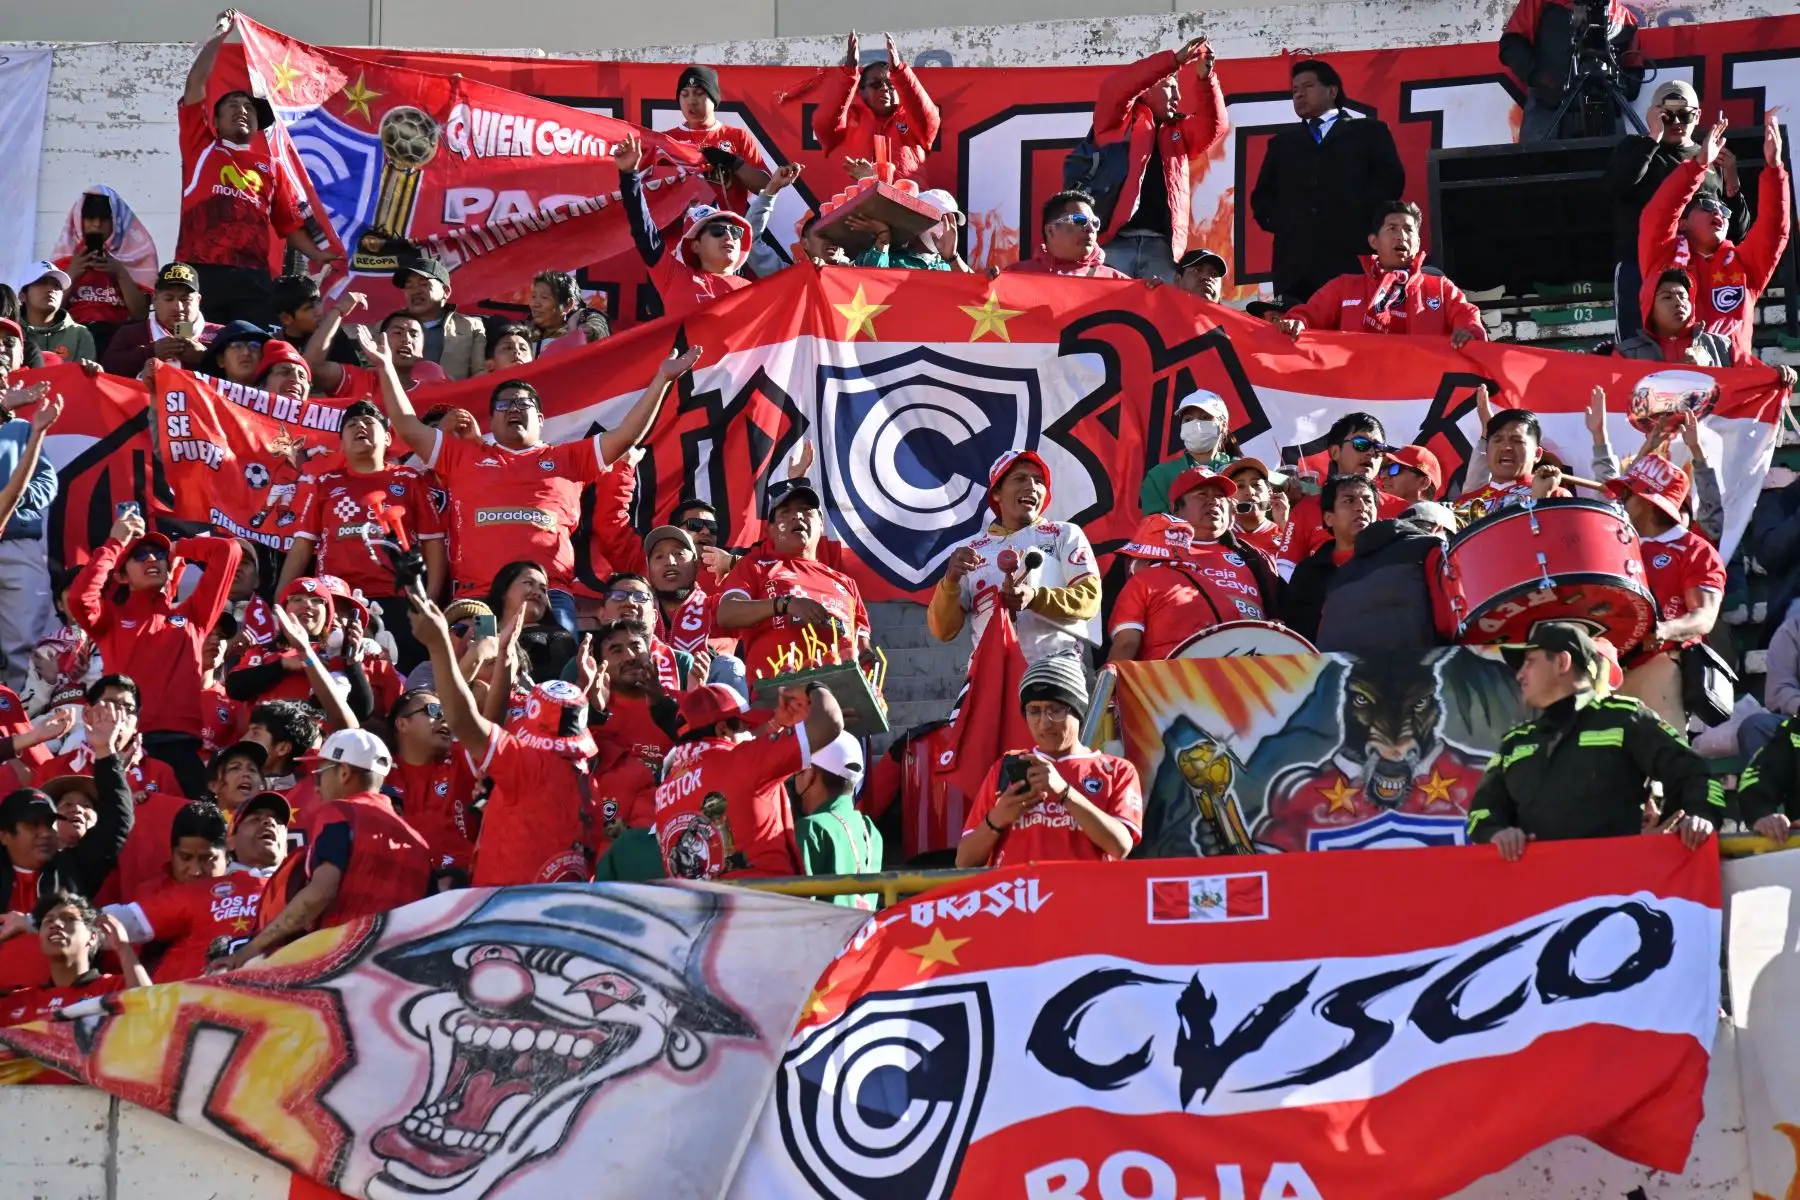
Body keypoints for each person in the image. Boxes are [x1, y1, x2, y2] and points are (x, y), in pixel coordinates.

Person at [372, 336, 693, 633]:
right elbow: (408, 428)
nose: (513, 408)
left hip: (550, 596)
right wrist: (386, 368)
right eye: (504, 405)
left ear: (540, 420)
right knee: (479, 662)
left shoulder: (569, 457)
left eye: (523, 404)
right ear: (492, 422)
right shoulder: (463, 455)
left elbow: (626, 436)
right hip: (483, 600)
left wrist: (661, 380)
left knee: (555, 660)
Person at [1467, 621, 1717, 858]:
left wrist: (1696, 816)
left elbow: (1693, 771)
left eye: (1530, 662)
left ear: (1562, 662)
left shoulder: (1624, 717)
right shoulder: (1514, 741)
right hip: (1540, 891)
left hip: (1613, 892)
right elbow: (1481, 811)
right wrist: (1496, 832)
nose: (1520, 675)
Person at [413, 596, 598, 886]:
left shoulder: (526, 763)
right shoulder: (586, 781)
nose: (475, 644)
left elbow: (464, 718)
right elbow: (558, 722)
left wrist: (442, 645)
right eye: (459, 632)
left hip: (502, 893)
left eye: (493, 661)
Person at [220, 728, 428, 967]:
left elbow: (320, 892)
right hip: (395, 973)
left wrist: (251, 949)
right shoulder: (417, 840)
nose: (316, 787)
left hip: (341, 963)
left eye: (319, 775)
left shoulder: (341, 812)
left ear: (344, 773)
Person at [70, 511, 241, 800]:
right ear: (122, 576)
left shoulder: (193, 616)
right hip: (124, 742)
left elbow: (229, 550)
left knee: (205, 829)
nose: (152, 559)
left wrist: (177, 549)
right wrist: (115, 544)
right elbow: (79, 597)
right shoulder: (110, 618)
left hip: (182, 745)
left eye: (157, 553)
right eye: (140, 556)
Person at [178, 10, 335, 324]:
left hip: (253, 275)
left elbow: (289, 225)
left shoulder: (271, 167)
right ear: (216, 122)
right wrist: (221, 33)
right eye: (232, 106)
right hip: (201, 268)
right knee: (199, 346)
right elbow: (196, 82)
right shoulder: (201, 146)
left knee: (251, 344)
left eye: (248, 107)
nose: (242, 110)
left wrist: (321, 255)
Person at [274, 399, 447, 674]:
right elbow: (303, 544)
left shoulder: (410, 479)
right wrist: (279, 601)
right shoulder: (325, 484)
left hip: (401, 600)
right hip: (336, 601)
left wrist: (430, 599)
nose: (360, 427)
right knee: (340, 677)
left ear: (388, 437)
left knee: (400, 678)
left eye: (369, 423)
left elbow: (434, 541)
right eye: (352, 425)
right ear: (341, 443)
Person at [956, 657, 1141, 868]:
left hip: (1084, 897)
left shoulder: (1117, 770)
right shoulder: (1005, 768)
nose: (1044, 723)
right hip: (1019, 897)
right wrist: (997, 818)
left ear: (1078, 710)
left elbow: (1121, 846)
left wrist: (1065, 793)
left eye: (1055, 709)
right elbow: (964, 861)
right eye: (1034, 711)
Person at [1250, 58, 1406, 305]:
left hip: (1352, 259)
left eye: (1308, 86)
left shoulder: (1368, 132)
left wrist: (1361, 218)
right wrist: (1286, 223)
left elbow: (1391, 182)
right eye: (1294, 90)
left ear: (1332, 91)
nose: (1299, 95)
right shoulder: (1281, 144)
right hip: (1294, 267)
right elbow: (1262, 198)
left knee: (1352, 335)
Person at [654, 680, 845, 881]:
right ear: (723, 731)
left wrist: (779, 725)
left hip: (701, 908)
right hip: (765, 903)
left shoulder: (664, 788)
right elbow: (829, 721)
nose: (752, 735)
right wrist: (814, 686)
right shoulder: (744, 760)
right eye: (746, 727)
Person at [0, 702, 132, 991]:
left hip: (65, 1005)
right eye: (32, 825)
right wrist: (27, 740)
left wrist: (105, 751)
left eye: (48, 823)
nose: (44, 832)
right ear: (4, 836)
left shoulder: (73, 867)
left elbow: (117, 821)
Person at [929, 450, 1101, 667]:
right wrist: (950, 580)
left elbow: (1090, 599)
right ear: (997, 493)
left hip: (1054, 671)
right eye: (1020, 479)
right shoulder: (971, 550)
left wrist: (1035, 598)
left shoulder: (1064, 534)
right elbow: (943, 631)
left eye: (1039, 481)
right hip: (989, 675)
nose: (1031, 487)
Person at [1639, 112, 1790, 359]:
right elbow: (1660, 213)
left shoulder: (1744, 264)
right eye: (1708, 206)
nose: (1719, 213)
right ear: (1684, 222)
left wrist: (1774, 169)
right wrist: (1698, 164)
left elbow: (1775, 230)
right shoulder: (1661, 256)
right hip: (1672, 377)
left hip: (1729, 378)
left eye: (1724, 209)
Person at [1606, 80, 1746, 341]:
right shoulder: (1637, 147)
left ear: (1698, 116)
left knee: (1700, 349)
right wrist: (1652, 138)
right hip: (1643, 265)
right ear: (1654, 114)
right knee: (1637, 346)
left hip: (1696, 269)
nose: (1677, 122)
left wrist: (1731, 179)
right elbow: (1617, 185)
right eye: (1668, 115)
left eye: (1685, 115)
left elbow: (1736, 232)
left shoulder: (1710, 157)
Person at [35, 676, 187, 903]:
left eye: (128, 709)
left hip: (144, 906)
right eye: (111, 705)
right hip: (73, 903)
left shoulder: (161, 773)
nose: (120, 715)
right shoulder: (52, 770)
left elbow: (181, 840)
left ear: (137, 721)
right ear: (87, 714)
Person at [1090, 36, 1229, 283]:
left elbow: (1215, 125)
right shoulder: (1115, 123)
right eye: (1170, 86)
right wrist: (1173, 61)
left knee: (1160, 319)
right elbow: (1116, 87)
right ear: (1147, 89)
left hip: (1161, 248)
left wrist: (1206, 79)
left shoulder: (1178, 132)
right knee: (1106, 315)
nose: (1177, 95)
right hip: (1112, 243)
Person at [1109, 466, 1281, 662]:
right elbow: (1120, 633)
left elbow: (1280, 613)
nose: (1214, 501)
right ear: (1175, 508)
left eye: (1220, 496)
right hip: (1167, 676)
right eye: (1202, 495)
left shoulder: (1256, 557)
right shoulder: (1142, 555)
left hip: (1249, 671)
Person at [102, 798, 284, 981]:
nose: (195, 871)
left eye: (207, 859)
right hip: (192, 1000)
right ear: (232, 840)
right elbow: (114, 923)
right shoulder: (187, 894)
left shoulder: (302, 884)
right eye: (185, 857)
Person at [1606, 452, 1724, 729]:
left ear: (1649, 500)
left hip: (1660, 664)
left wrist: (1663, 631)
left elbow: (1704, 618)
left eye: (1627, 491)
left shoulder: (1694, 550)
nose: (1620, 498)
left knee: (1664, 764)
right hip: (1607, 668)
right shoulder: (1614, 542)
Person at [717, 478, 874, 678]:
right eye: (785, 513)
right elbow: (727, 613)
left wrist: (867, 657)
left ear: (821, 523)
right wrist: (784, 604)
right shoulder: (755, 566)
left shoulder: (846, 583)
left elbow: (862, 645)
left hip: (841, 697)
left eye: (806, 510)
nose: (797, 516)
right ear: (771, 531)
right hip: (776, 696)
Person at [1276, 202, 1484, 345]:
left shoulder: (1440, 288)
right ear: (1373, 241)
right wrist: (1298, 322)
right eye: (1392, 228)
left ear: (1418, 242)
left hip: (1419, 398)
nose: (1401, 236)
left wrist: (1469, 332)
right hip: (1358, 395)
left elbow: (1467, 317)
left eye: (1408, 230)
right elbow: (1309, 314)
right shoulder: (1344, 286)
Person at [617, 134, 754, 321]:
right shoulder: (674, 277)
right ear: (695, 245)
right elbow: (643, 230)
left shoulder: (756, 291)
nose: (729, 236)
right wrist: (629, 176)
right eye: (717, 231)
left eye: (735, 232)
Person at [1272, 413, 1410, 578]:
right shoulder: (1307, 508)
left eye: (1379, 448)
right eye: (1361, 444)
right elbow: (1286, 569)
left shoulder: (1404, 510)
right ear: (1335, 452)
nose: (1371, 453)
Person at [1500, 0, 1643, 144]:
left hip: (1603, 117)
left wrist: (1616, 86)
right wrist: (1539, 77)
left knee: (1616, 165)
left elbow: (1634, 72)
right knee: (1537, 163)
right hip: (1547, 110)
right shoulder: (1540, 3)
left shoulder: (1623, 18)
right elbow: (1512, 44)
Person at [0, 365, 61, 692]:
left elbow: (47, 482)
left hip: (17, 544)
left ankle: (22, 723)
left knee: (25, 643)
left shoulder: (24, 429)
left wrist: (14, 501)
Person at [0, 891, 148, 1025]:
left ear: (93, 937)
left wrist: (123, 947)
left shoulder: (116, 987)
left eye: (69, 918)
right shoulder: (17, 1001)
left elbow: (150, 1011)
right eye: (48, 921)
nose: (56, 924)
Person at [813, 31, 940, 181]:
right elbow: (824, 122)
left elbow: (929, 118)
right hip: (853, 202)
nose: (885, 89)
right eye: (876, 84)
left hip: (904, 202)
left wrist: (899, 72)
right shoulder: (848, 119)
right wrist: (848, 73)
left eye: (890, 84)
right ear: (861, 91)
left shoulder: (912, 121)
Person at [50, 187, 156, 358]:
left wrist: (120, 272)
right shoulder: (65, 257)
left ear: (116, 220)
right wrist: (72, 273)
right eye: (90, 218)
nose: (97, 224)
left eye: (104, 218)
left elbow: (140, 314)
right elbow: (51, 310)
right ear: (79, 220)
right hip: (73, 336)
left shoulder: (135, 255)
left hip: (119, 338)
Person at [386, 689, 478, 873]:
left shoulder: (463, 759)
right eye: (434, 710)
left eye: (447, 714)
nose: (444, 719)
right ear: (402, 724)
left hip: (464, 887)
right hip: (403, 886)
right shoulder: (380, 772)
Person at [1616, 268, 1776, 372]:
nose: (1678, 302)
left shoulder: (1721, 346)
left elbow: (1756, 376)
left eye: (1683, 296)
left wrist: (1777, 375)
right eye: (1667, 297)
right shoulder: (1626, 354)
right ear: (1649, 307)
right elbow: (1616, 399)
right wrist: (1674, 373)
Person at [665, 65, 773, 216]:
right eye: (684, 95)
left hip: (728, 232)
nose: (691, 101)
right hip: (682, 233)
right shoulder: (667, 140)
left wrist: (734, 163)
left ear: (713, 98)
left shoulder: (737, 136)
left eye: (699, 93)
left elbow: (765, 187)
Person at [1285, 474, 1380, 642]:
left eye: (1368, 500)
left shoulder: (1394, 560)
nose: (1361, 507)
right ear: (1329, 518)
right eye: (1349, 501)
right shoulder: (1308, 573)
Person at [795, 731, 882, 909]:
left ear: (810, 774)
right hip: (862, 935)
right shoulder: (870, 829)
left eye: (799, 770)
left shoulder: (811, 828)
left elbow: (798, 907)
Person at [99, 261, 220, 379]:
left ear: (198, 300)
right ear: (155, 299)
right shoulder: (131, 334)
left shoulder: (219, 334)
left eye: (185, 299)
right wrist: (150, 352)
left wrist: (205, 358)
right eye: (169, 299)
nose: (178, 307)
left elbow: (236, 380)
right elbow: (106, 369)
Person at [307, 301, 448, 397]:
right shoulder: (356, 380)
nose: (407, 339)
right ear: (380, 341)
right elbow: (311, 367)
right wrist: (338, 311)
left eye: (414, 334)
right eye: (398, 332)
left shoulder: (435, 389)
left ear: (422, 349)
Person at [1141, 390, 1235, 515]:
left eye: (1205, 417)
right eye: (1188, 419)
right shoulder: (1159, 476)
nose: (1196, 425)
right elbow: (1156, 528)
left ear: (1223, 425)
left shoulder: (1241, 469)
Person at [392, 256, 485, 381]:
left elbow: (480, 374)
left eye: (424, 284)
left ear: (446, 291)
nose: (415, 291)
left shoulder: (471, 326)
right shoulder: (388, 326)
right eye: (409, 286)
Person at [486, 560, 577, 683]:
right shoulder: (480, 631)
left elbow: (563, 679)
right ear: (503, 590)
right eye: (529, 583)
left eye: (543, 590)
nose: (537, 593)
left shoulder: (558, 635)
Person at [1007, 190, 1130, 279]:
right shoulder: (1015, 276)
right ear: (1050, 230)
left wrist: (1148, 293)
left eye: (1094, 222)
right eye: (1079, 220)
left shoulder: (1116, 282)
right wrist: (987, 284)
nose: (1090, 228)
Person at [17, 262, 95, 364]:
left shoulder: (79, 334)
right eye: (42, 283)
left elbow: (83, 378)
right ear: (23, 295)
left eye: (57, 286)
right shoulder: (9, 331)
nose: (50, 289)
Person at [523, 271, 608, 361]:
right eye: (533, 296)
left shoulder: (578, 330)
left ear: (568, 305)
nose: (534, 304)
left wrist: (590, 332)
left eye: (544, 297)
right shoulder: (521, 334)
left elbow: (598, 325)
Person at [1221, 458, 1285, 557]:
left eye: (1256, 484)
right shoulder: (1216, 536)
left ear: (1269, 493)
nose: (1250, 491)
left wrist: (1284, 524)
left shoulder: (1286, 531)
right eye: (1240, 486)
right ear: (1227, 497)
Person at [195, 319, 271, 386]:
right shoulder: (206, 398)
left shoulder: (277, 397)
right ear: (221, 360)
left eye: (254, 346)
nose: (246, 352)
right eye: (237, 346)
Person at [203, 738, 267, 817]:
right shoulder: (196, 825)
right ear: (213, 785)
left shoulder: (271, 825)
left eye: (252, 770)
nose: (246, 774)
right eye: (235, 768)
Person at [1378, 444, 1443, 505]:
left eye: (1394, 468)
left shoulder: (1439, 516)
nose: (1383, 475)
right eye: (1383, 469)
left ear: (1424, 482)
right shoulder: (1373, 513)